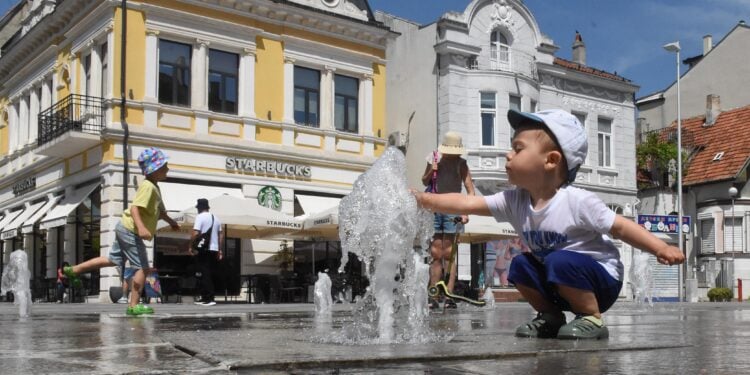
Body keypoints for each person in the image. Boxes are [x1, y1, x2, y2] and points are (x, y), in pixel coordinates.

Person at [414, 109, 684, 339]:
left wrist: (660, 247)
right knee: (520, 264)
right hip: (560, 281)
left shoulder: (577, 202)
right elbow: (467, 204)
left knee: (559, 260)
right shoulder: (514, 201)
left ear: (551, 160)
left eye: (518, 148)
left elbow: (621, 227)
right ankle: (551, 317)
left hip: (601, 281)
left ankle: (592, 319)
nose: (509, 155)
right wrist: (426, 199)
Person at [63, 147, 180, 316]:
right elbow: (134, 209)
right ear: (155, 169)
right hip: (131, 230)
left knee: (111, 260)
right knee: (143, 268)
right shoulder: (148, 187)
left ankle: (73, 270)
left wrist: (171, 222)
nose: (167, 168)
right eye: (165, 166)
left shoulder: (154, 187)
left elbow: (160, 211)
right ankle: (133, 305)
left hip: (124, 227)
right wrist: (141, 228)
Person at [420, 131, 476, 309]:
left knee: (449, 254)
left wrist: (466, 212)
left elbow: (470, 189)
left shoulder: (461, 163)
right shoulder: (434, 157)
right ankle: (433, 295)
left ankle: (449, 295)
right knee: (436, 253)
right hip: (435, 206)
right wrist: (432, 170)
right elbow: (424, 180)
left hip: (453, 208)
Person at [189, 198, 223, 306]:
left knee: (204, 274)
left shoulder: (200, 217)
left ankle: (209, 298)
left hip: (204, 249)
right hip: (213, 248)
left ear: (199, 208)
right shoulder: (216, 218)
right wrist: (219, 249)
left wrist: (190, 245)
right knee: (208, 273)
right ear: (207, 207)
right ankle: (205, 297)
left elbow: (196, 233)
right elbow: (221, 234)